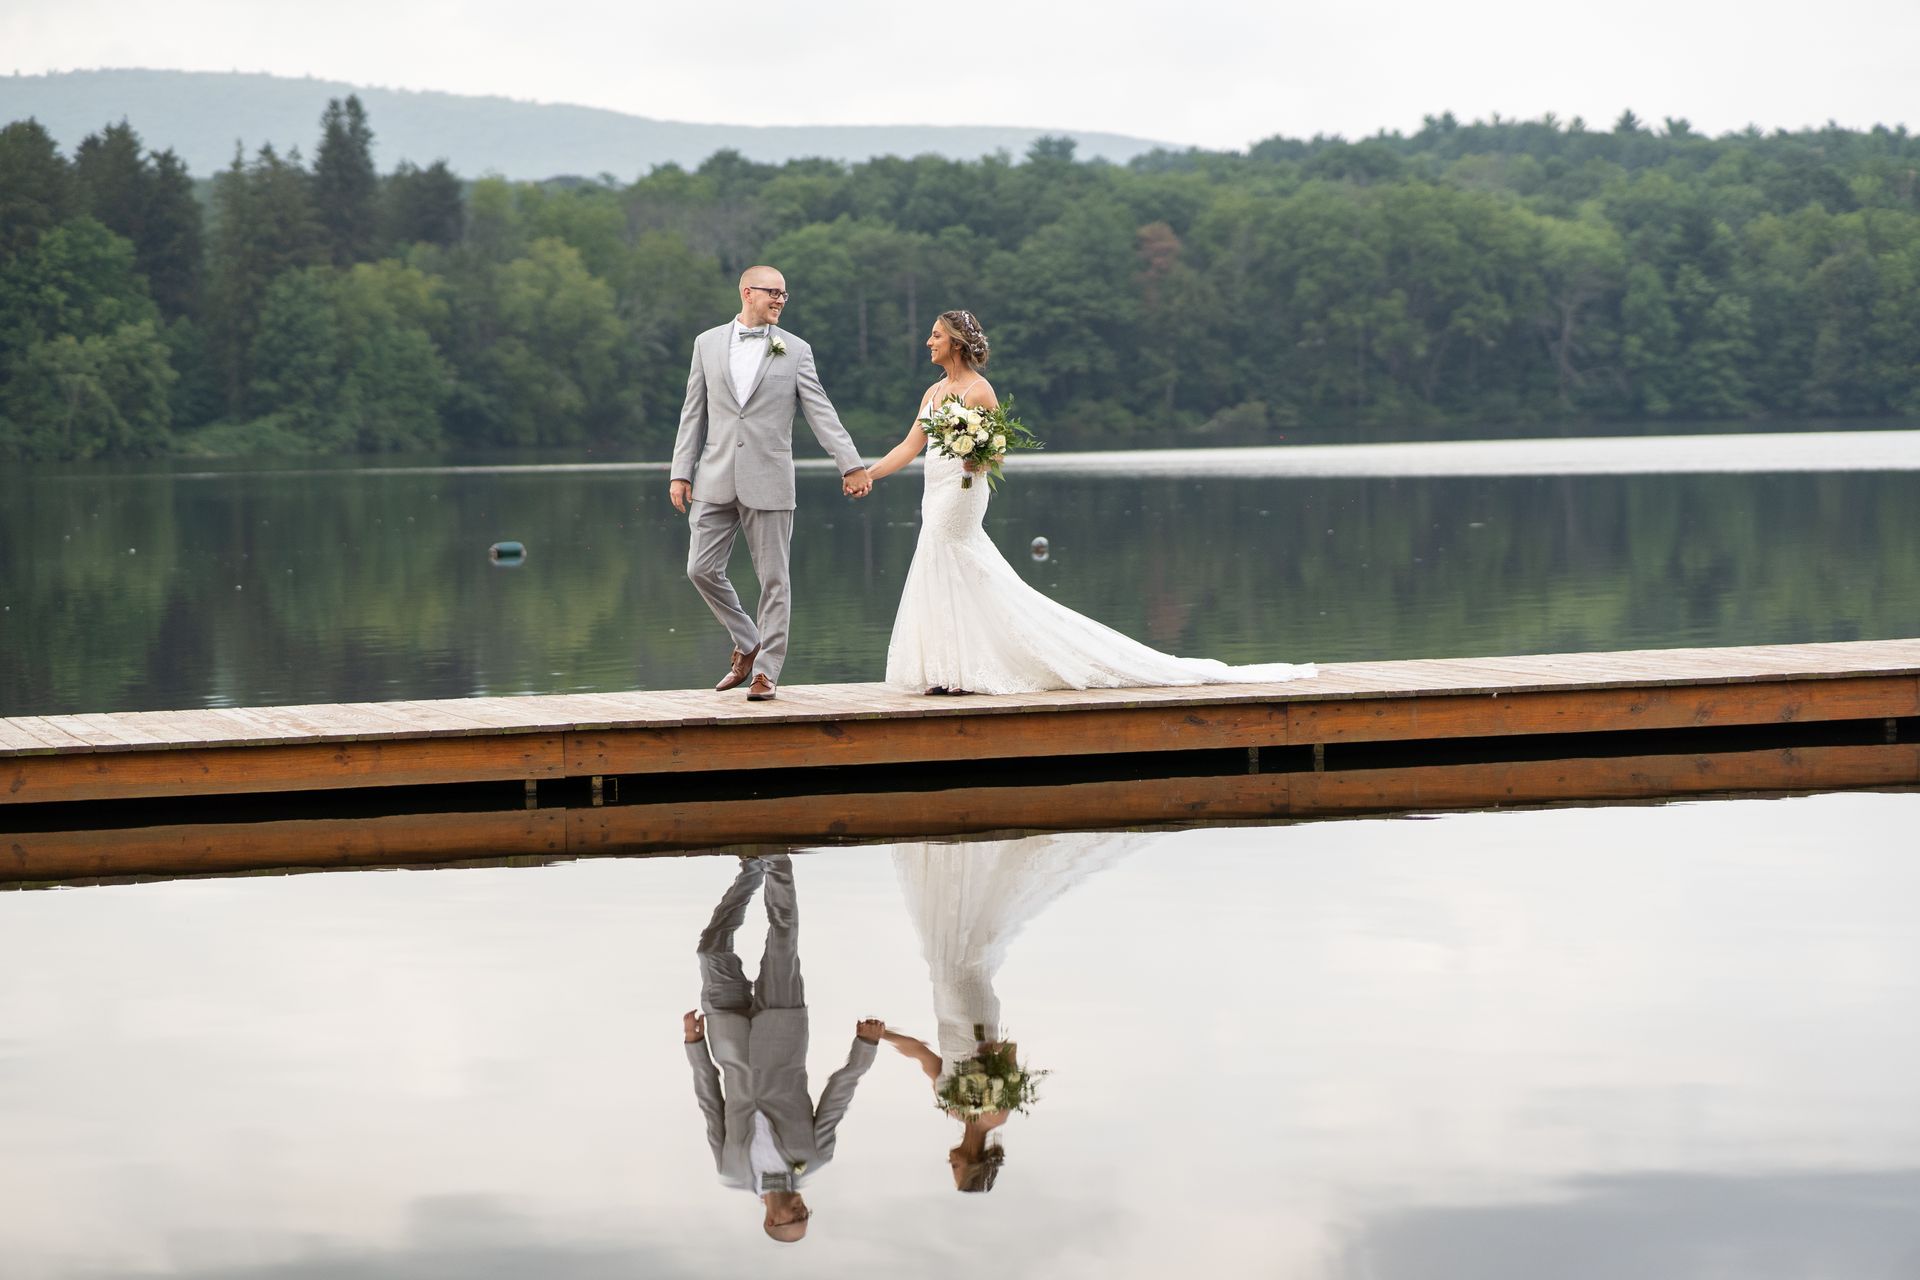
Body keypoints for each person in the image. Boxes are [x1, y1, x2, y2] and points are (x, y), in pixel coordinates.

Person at [863, 310, 1316, 695]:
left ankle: (962, 668)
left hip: (962, 492)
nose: (929, 341)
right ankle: (949, 668)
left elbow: (995, 452)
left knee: (950, 556)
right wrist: (868, 474)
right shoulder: (932, 393)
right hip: (934, 488)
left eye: (937, 335)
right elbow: (908, 447)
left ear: (957, 344)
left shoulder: (978, 391)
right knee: (943, 565)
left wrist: (973, 460)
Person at [879, 833, 1141, 1192]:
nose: (949, 1164)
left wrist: (884, 1035)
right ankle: (962, 856)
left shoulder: (951, 1108)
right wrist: (981, 1062)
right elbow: (1009, 1050)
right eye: (956, 1171)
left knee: (943, 955)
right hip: (974, 1019)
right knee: (951, 960)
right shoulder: (995, 1115)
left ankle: (957, 860)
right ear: (972, 1165)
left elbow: (924, 1055)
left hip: (945, 1013)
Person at [669, 266, 873, 702]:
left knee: (774, 580)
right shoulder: (706, 344)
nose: (780, 300)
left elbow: (821, 411)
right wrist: (681, 471)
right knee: (699, 568)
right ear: (748, 292)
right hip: (714, 475)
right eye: (773, 293)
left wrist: (850, 465)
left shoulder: (795, 350)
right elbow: (694, 411)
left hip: (771, 478)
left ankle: (766, 671)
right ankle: (748, 638)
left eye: (785, 295)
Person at [683, 854, 884, 1242]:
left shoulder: (730, 1172)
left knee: (711, 952)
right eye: (806, 1214)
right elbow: (836, 1101)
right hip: (783, 1032)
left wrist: (694, 1046)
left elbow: (711, 1106)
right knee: (782, 940)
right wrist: (864, 1048)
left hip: (728, 1038)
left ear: (770, 1221)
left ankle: (749, 873)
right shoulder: (814, 1159)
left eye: (796, 1218)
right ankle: (775, 862)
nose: (801, 1209)